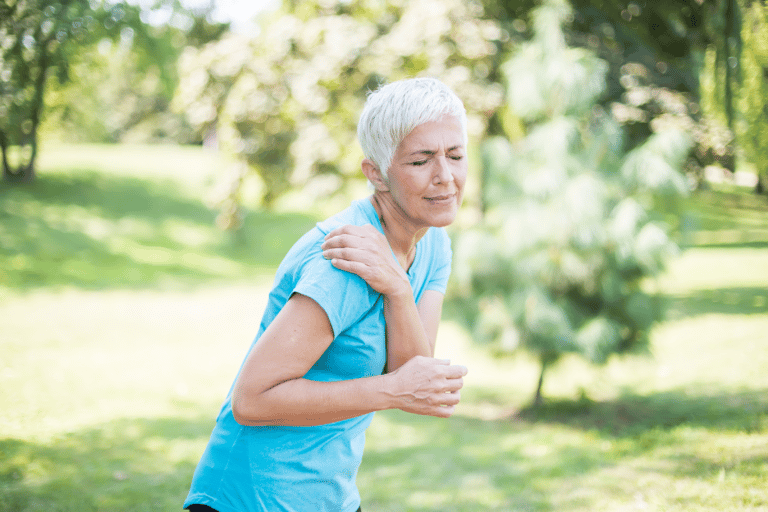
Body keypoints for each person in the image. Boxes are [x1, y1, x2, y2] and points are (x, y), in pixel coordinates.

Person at [183, 77, 469, 512]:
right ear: (376, 172)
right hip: (252, 494)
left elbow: (413, 370)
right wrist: (391, 390)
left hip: (329, 496)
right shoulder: (343, 262)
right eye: (421, 160)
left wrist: (396, 287)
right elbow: (252, 400)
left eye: (455, 155)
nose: (445, 177)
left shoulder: (432, 243)